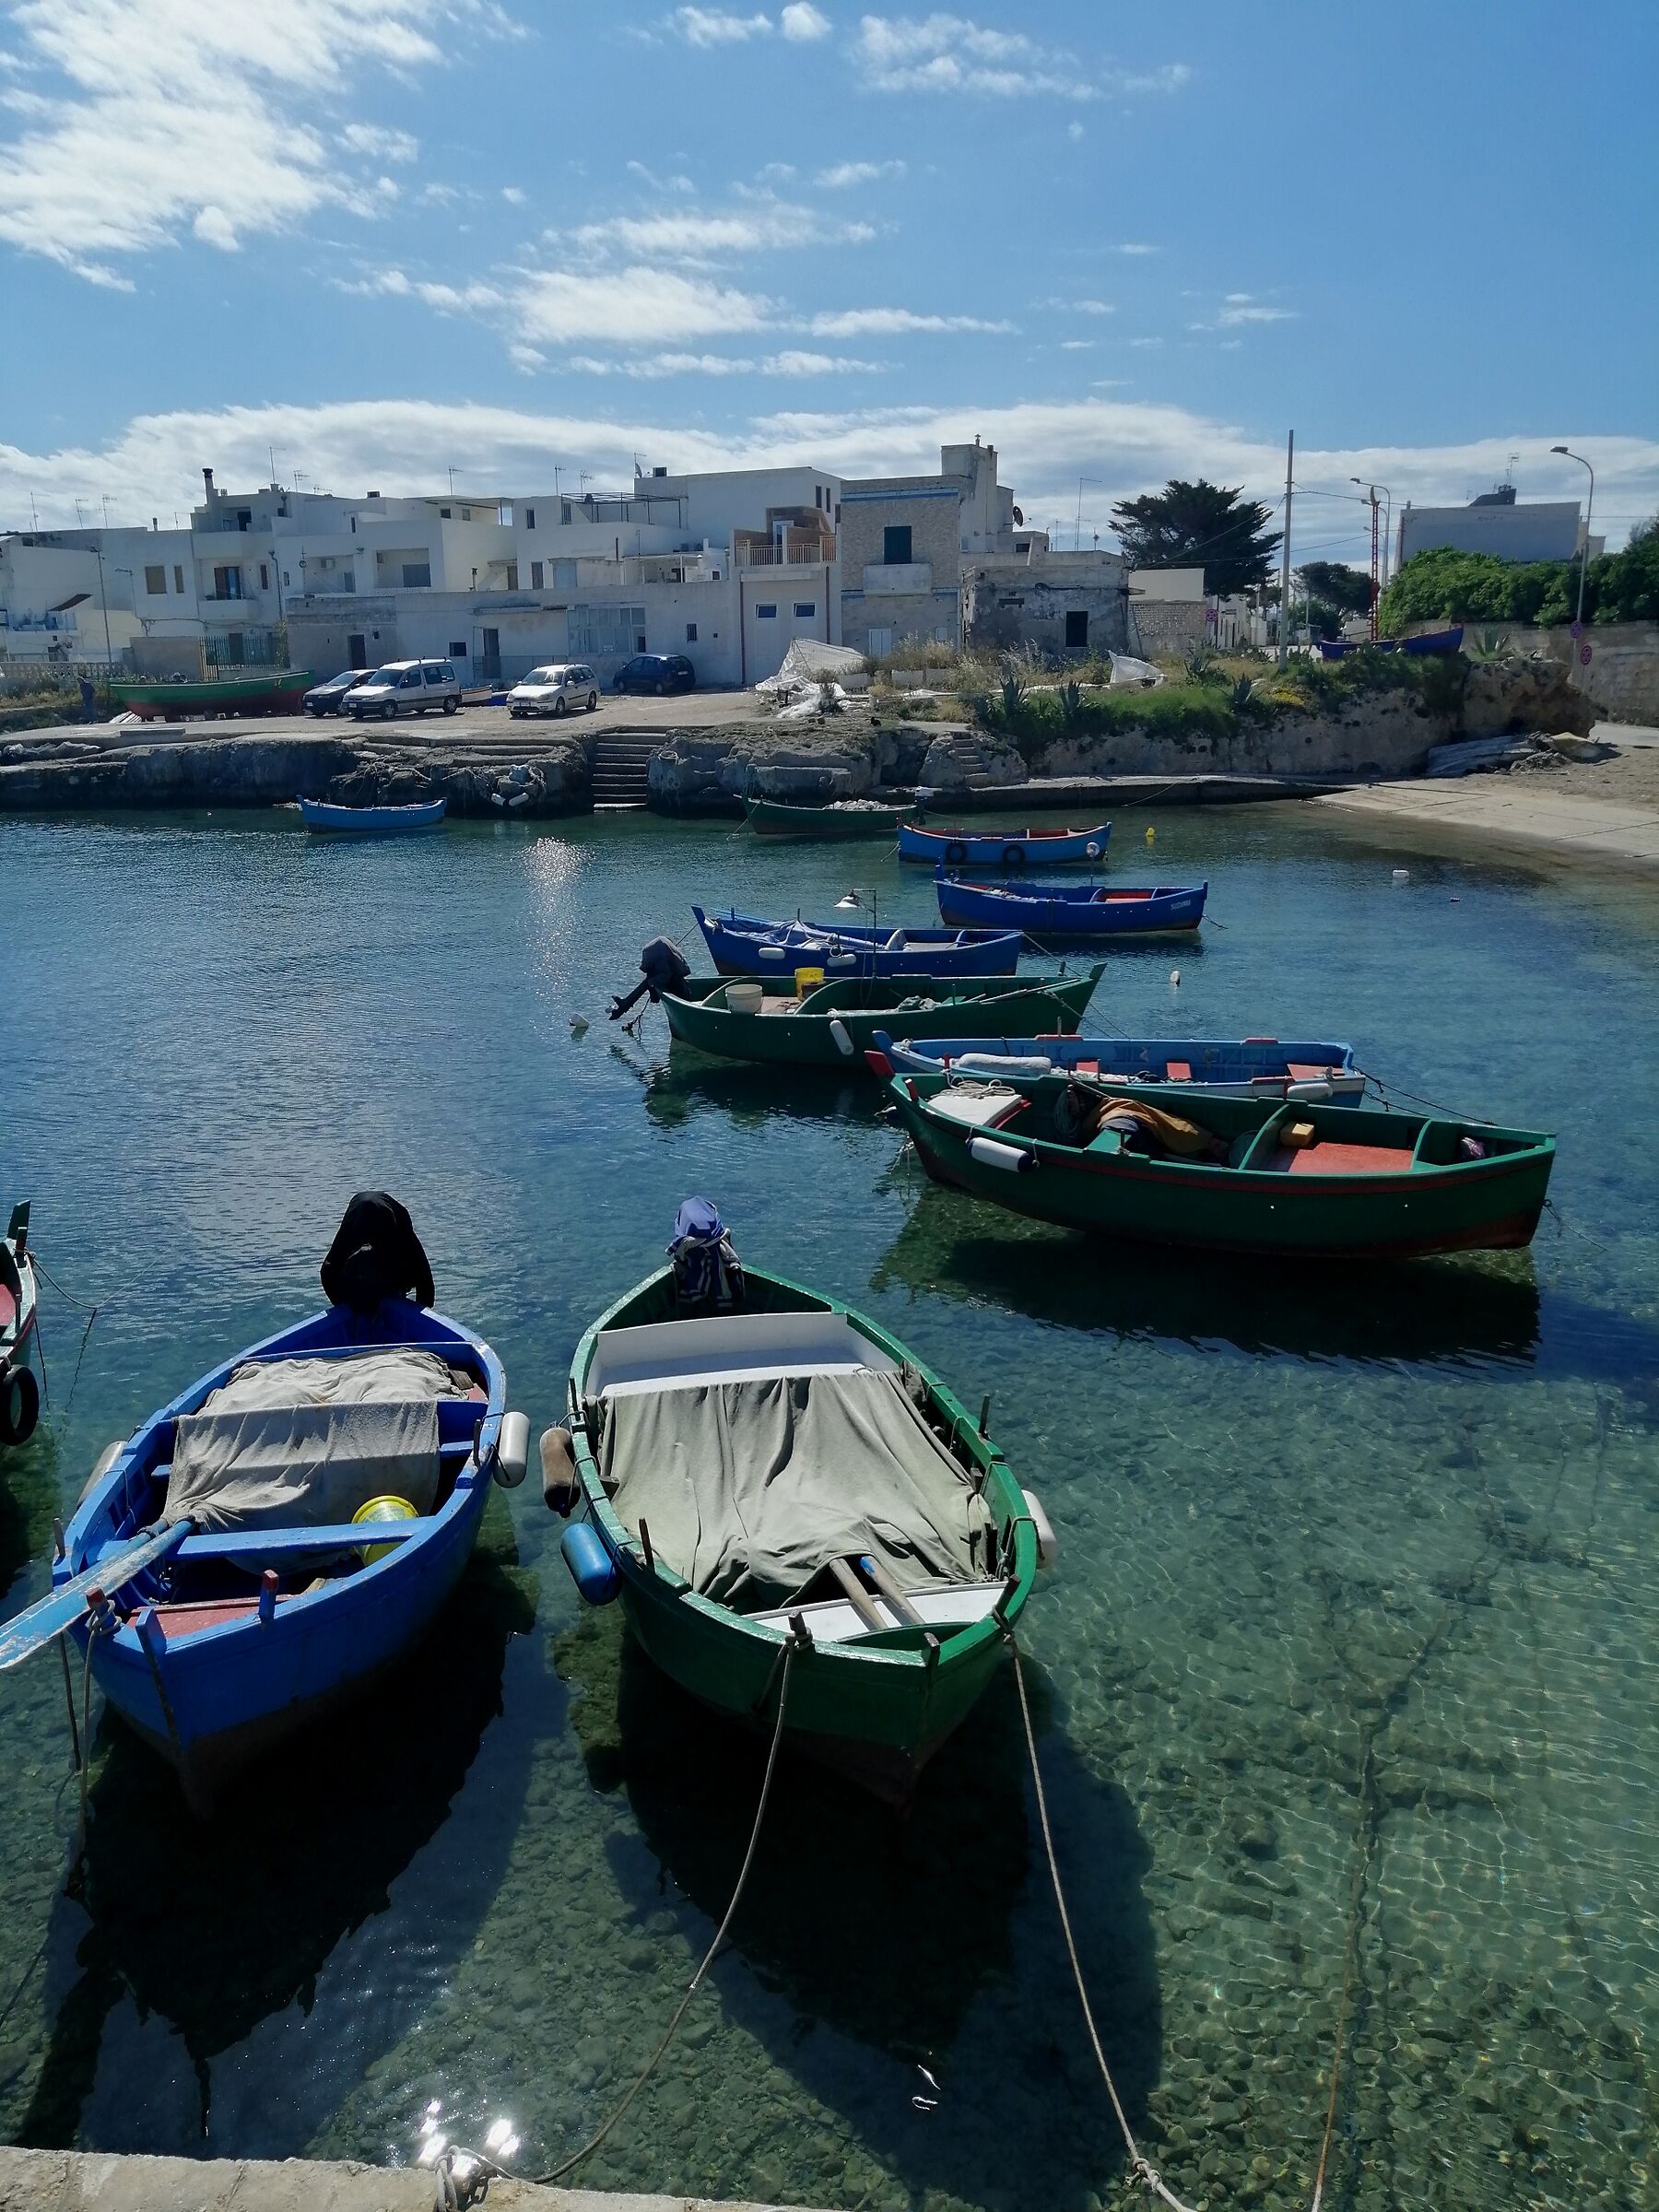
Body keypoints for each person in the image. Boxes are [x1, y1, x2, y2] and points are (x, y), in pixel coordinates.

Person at [320, 1192, 435, 1312]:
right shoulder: (348, 1239)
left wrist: (419, 1315)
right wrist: (344, 1308)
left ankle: (393, 1289)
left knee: (411, 1270)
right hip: (358, 1214)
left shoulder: (401, 1238)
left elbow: (425, 1278)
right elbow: (327, 1272)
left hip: (392, 1214)